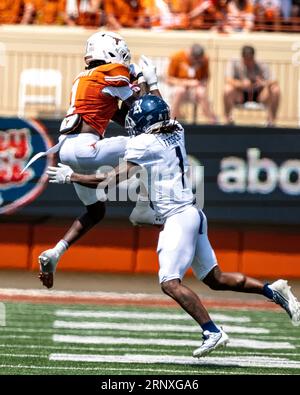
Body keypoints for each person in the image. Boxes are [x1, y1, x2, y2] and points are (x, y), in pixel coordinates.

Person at [47, 94, 300, 358]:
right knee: (216, 279)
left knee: (170, 283)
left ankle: (212, 331)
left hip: (178, 217)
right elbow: (148, 116)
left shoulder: (144, 144)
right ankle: (273, 291)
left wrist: (71, 176)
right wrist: (151, 86)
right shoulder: (177, 129)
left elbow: (109, 179)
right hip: (193, 212)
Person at [33, 32, 161, 289]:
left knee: (96, 210)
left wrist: (136, 84)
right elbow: (145, 110)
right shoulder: (111, 71)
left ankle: (56, 252)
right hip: (85, 148)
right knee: (153, 145)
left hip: (67, 151)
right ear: (111, 53)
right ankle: (144, 208)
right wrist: (145, 79)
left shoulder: (86, 78)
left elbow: (126, 117)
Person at [223, 45, 281, 126]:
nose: (248, 62)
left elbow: (274, 80)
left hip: (259, 94)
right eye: (246, 60)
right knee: (227, 89)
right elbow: (227, 79)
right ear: (242, 57)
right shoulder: (234, 62)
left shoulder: (261, 63)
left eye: (250, 59)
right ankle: (228, 120)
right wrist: (241, 84)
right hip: (241, 94)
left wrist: (263, 83)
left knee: (275, 89)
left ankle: (271, 121)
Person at [167, 44, 218, 124]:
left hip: (195, 90)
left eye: (198, 60)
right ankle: (172, 120)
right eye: (195, 59)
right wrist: (187, 83)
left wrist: (200, 84)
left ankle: (212, 121)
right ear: (190, 53)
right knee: (180, 91)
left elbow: (205, 78)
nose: (196, 61)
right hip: (178, 88)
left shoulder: (204, 59)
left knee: (201, 92)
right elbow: (169, 79)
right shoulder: (177, 57)